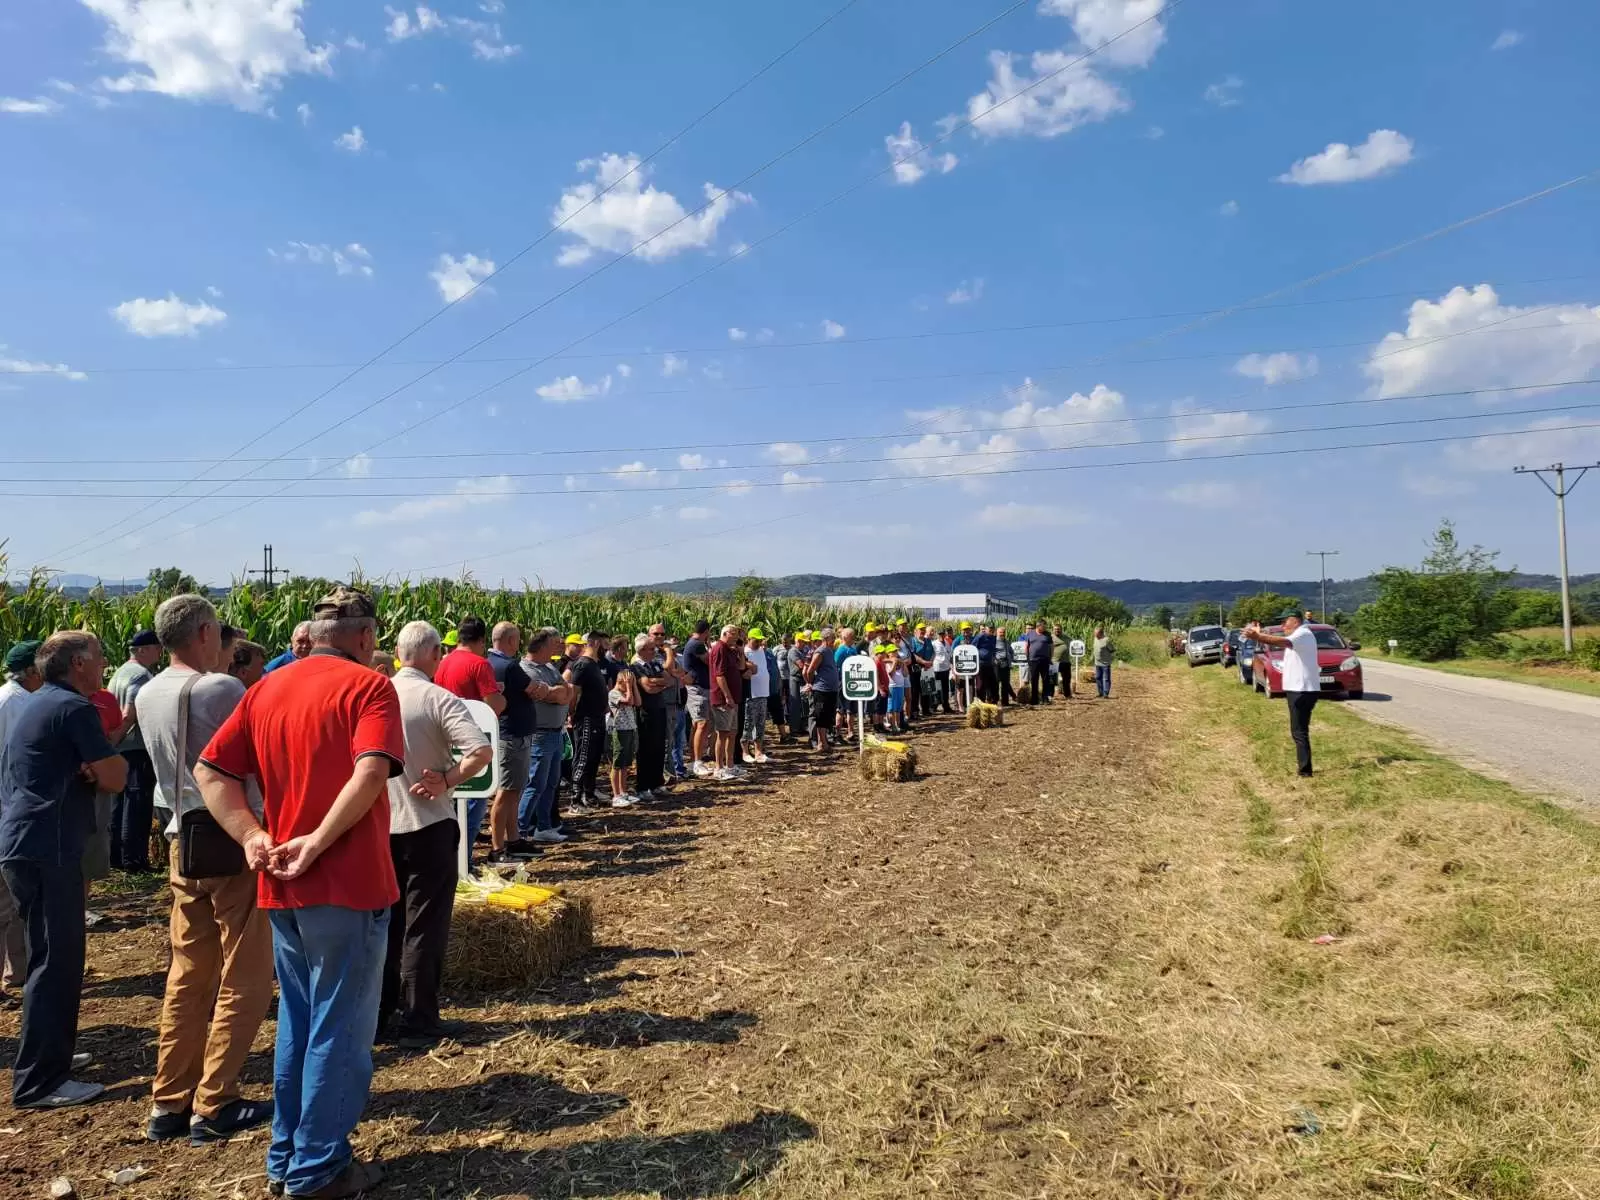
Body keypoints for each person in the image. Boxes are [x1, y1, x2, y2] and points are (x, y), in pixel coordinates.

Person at [196, 586, 404, 1198]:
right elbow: (371, 770)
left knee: (299, 1019)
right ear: (366, 638)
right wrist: (317, 841)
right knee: (340, 1028)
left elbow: (210, 770)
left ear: (309, 634)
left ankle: (288, 1157)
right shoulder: (370, 687)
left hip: (280, 883)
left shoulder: (265, 689)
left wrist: (252, 834)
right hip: (348, 881)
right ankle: (318, 1169)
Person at [138, 594, 274, 1143]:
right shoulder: (220, 688)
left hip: (181, 839)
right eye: (217, 631)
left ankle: (169, 1101)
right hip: (230, 838)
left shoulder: (148, 692)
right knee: (245, 973)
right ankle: (216, 1101)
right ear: (202, 632)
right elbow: (253, 762)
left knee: (188, 973)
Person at [0, 631, 127, 1107]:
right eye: (99, 658)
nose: (103, 666)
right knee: (57, 962)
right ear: (77, 664)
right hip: (49, 847)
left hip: (26, 843)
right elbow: (116, 776)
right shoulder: (74, 709)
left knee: (45, 958)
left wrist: (95, 768)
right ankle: (39, 1083)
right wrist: (100, 769)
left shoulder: (39, 701)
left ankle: (47, 1057)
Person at [381, 621, 491, 1049]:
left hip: (380, 825)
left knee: (385, 923)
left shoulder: (377, 694)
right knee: (424, 923)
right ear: (432, 655)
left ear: (396, 652)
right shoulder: (438, 698)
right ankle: (419, 1015)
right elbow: (480, 751)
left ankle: (379, 1012)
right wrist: (447, 779)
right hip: (427, 821)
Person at [432, 618, 504, 857]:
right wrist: (503, 697)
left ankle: (452, 859)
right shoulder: (480, 664)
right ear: (482, 640)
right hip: (472, 739)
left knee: (452, 803)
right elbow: (493, 705)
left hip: (445, 738)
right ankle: (466, 860)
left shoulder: (442, 663)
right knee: (474, 803)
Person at [0, 641, 43, 1002]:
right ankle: (18, 970)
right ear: (31, 672)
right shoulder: (18, 705)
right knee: (11, 902)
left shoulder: (7, 698)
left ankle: (16, 969)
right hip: (8, 813)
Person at [516, 629, 576, 853]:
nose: (557, 648)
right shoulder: (527, 670)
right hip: (540, 734)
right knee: (535, 784)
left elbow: (566, 692)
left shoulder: (549, 667)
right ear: (541, 647)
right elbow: (554, 695)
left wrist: (558, 692)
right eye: (553, 645)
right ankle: (520, 831)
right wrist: (558, 693)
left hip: (555, 733)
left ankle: (544, 826)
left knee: (551, 782)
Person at [109, 630, 162, 874]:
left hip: (121, 747)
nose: (160, 652)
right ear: (142, 650)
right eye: (156, 647)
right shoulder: (141, 675)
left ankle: (116, 855)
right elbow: (130, 714)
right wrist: (116, 739)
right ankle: (134, 860)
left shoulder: (119, 672)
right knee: (137, 803)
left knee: (120, 801)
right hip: (135, 747)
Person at [486, 622, 538, 863]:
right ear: (509, 641)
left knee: (513, 791)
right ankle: (498, 848)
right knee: (506, 792)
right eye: (517, 640)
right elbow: (533, 689)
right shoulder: (509, 666)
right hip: (512, 736)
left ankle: (513, 839)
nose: (518, 644)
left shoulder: (490, 663)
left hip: (509, 734)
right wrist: (547, 689)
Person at [1246, 613, 1320, 777]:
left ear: (1296, 620)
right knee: (1299, 730)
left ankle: (1305, 771)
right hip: (1301, 689)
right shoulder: (1300, 634)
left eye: (1285, 622)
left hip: (1302, 690)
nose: (1282, 626)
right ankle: (1304, 767)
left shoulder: (1302, 633)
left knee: (1299, 731)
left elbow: (1281, 641)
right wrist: (1260, 635)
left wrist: (1258, 636)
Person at [564, 632, 610, 811]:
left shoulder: (594, 665)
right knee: (582, 758)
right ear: (597, 643)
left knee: (593, 758)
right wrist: (571, 713)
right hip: (586, 718)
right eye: (605, 644)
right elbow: (573, 692)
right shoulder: (582, 664)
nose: (606, 648)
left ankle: (588, 794)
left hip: (597, 717)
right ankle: (575, 801)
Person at [632, 631, 674, 800]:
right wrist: (656, 683)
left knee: (658, 747)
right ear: (641, 650)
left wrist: (655, 682)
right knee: (646, 750)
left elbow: (669, 680)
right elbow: (647, 687)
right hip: (646, 712)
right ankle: (643, 786)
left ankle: (657, 783)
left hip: (659, 709)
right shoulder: (636, 666)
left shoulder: (655, 664)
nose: (653, 652)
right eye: (650, 649)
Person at [706, 625, 744, 780]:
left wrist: (741, 653)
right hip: (723, 699)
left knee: (732, 733)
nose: (736, 637)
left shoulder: (731, 649)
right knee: (722, 733)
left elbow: (741, 667)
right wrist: (727, 696)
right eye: (733, 634)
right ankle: (718, 767)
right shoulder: (719, 649)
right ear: (725, 634)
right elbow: (719, 675)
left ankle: (730, 765)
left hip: (734, 698)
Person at [608, 653, 640, 808]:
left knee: (626, 763)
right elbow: (629, 701)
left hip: (630, 729)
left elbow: (638, 702)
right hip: (619, 730)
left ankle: (624, 791)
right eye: (626, 682)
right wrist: (628, 686)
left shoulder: (627, 691)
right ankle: (616, 794)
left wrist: (633, 685)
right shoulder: (614, 694)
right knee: (617, 763)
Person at [682, 621, 713, 778]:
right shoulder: (697, 645)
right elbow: (710, 661)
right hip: (698, 688)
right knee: (702, 723)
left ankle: (694, 759)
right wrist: (709, 646)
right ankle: (697, 761)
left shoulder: (692, 643)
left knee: (696, 724)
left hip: (698, 687)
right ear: (706, 631)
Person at [803, 628, 840, 752]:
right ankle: (822, 744)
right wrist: (810, 683)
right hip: (821, 690)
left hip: (831, 690)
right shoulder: (820, 651)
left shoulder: (830, 651)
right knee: (821, 716)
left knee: (827, 717)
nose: (834, 641)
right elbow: (810, 670)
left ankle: (823, 742)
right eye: (832, 638)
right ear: (826, 639)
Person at [742, 628, 772, 764]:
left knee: (760, 724)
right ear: (749, 639)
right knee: (748, 723)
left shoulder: (761, 650)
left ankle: (759, 751)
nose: (759, 642)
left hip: (763, 693)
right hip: (751, 694)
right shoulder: (744, 652)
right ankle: (745, 751)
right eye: (756, 640)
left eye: (760, 640)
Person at [1025, 621, 1054, 706]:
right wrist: (1027, 658)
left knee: (1045, 679)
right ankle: (1034, 699)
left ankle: (1045, 698)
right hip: (1033, 660)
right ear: (1038, 627)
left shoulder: (1047, 634)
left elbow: (1051, 647)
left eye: (1045, 627)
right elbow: (1027, 646)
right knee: (1034, 680)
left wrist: (1050, 658)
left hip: (1044, 660)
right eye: (1043, 627)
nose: (1045, 628)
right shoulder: (1030, 634)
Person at [930, 630, 953, 714]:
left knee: (945, 688)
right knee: (936, 688)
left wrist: (950, 664)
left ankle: (946, 706)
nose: (941, 635)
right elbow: (931, 655)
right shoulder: (934, 643)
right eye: (940, 634)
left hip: (946, 668)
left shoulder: (947, 643)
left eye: (943, 634)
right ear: (937, 634)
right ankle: (933, 706)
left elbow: (949, 654)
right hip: (937, 668)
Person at [1092, 626, 1115, 698]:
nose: (1095, 635)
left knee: (1106, 678)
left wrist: (1108, 657)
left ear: (1101, 633)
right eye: (1094, 634)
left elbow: (1112, 649)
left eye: (1096, 634)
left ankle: (1105, 694)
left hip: (1105, 663)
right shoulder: (1095, 639)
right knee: (1098, 678)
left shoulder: (1106, 640)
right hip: (1097, 663)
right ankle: (1100, 692)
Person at [993, 626, 1014, 707]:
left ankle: (1005, 701)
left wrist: (1010, 659)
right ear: (997, 633)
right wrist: (994, 660)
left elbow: (1011, 651)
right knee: (996, 683)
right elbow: (991, 652)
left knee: (1005, 684)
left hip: (1006, 665)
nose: (1002, 634)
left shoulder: (1007, 642)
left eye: (1003, 632)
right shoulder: (993, 641)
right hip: (996, 665)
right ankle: (995, 700)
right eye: (1000, 632)